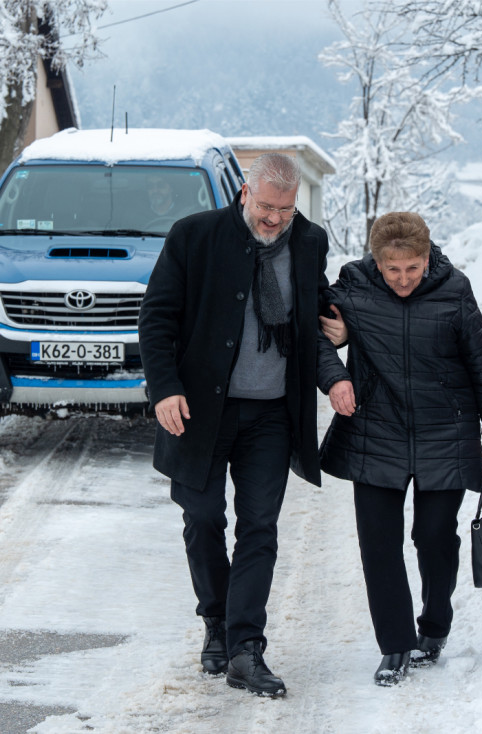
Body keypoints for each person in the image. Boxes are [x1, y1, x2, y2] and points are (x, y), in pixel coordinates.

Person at [138, 153, 331, 697]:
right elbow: (155, 317)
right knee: (202, 518)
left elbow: (316, 313)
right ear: (245, 192)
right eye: (267, 207)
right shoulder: (194, 236)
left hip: (271, 413)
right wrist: (166, 388)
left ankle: (246, 647)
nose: (274, 220)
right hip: (201, 410)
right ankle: (216, 621)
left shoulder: (308, 242)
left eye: (285, 211)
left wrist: (334, 334)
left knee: (260, 527)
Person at [316, 211, 482, 686]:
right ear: (377, 263)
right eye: (392, 270)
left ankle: (435, 626)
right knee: (379, 543)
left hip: (445, 430)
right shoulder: (353, 289)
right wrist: (336, 375)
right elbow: (313, 337)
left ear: (427, 258)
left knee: (434, 537)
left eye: (412, 268)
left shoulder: (454, 291)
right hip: (376, 432)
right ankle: (396, 645)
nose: (403, 279)